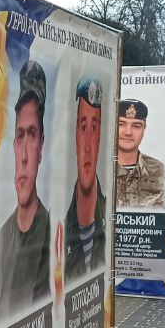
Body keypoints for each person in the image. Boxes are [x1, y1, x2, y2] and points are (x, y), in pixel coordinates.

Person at [0, 60, 51, 318]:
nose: (25, 155)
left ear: (41, 148)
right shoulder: (3, 233)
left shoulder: (49, 229)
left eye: (32, 134)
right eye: (20, 135)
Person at [65, 75, 107, 280]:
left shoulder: (109, 215)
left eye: (94, 128)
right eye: (83, 128)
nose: (88, 146)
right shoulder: (59, 231)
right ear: (75, 136)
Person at [116, 98, 165, 209]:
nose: (128, 132)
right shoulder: (99, 171)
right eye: (121, 124)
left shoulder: (160, 171)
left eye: (136, 126)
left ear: (144, 130)